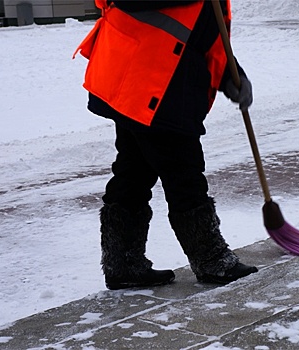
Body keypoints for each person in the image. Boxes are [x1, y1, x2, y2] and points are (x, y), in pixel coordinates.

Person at [74, 0, 258, 290]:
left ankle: (123, 264)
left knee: (134, 171)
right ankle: (210, 259)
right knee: (184, 173)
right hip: (152, 84)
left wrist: (231, 75)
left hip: (152, 82)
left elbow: (200, 34)